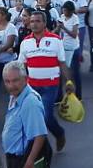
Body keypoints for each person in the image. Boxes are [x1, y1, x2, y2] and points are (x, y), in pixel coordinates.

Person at [1, 61, 49, 168]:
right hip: (14, 160)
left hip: (23, 162)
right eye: (7, 81)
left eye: (15, 81)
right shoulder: (16, 96)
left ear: (25, 79)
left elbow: (40, 135)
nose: (11, 85)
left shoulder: (29, 102)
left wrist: (29, 163)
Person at [17, 11, 69, 153]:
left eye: (37, 21)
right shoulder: (25, 42)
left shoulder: (56, 40)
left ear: (45, 23)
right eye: (32, 21)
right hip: (32, 86)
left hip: (50, 86)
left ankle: (59, 134)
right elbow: (21, 67)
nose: (34, 24)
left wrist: (69, 83)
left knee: (46, 116)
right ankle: (40, 149)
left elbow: (62, 63)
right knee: (33, 117)